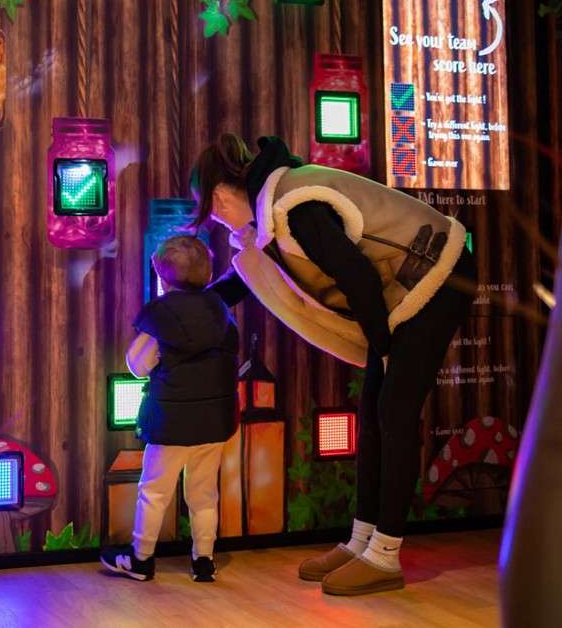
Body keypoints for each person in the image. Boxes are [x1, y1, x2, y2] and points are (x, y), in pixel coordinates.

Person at [191, 133, 476, 596]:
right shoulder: (275, 209)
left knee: (394, 414)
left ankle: (384, 556)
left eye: (213, 212)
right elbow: (243, 278)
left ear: (220, 197)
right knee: (373, 416)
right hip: (405, 293)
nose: (219, 222)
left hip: (440, 275)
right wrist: (195, 305)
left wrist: (381, 348)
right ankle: (362, 540)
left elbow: (359, 277)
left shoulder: (294, 206)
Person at [100, 235, 239, 583]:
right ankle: (203, 560)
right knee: (204, 494)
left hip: (171, 424)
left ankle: (142, 559)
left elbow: (137, 365)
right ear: (208, 274)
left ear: (162, 278)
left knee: (154, 492)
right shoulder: (220, 312)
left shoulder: (161, 317)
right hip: (213, 423)